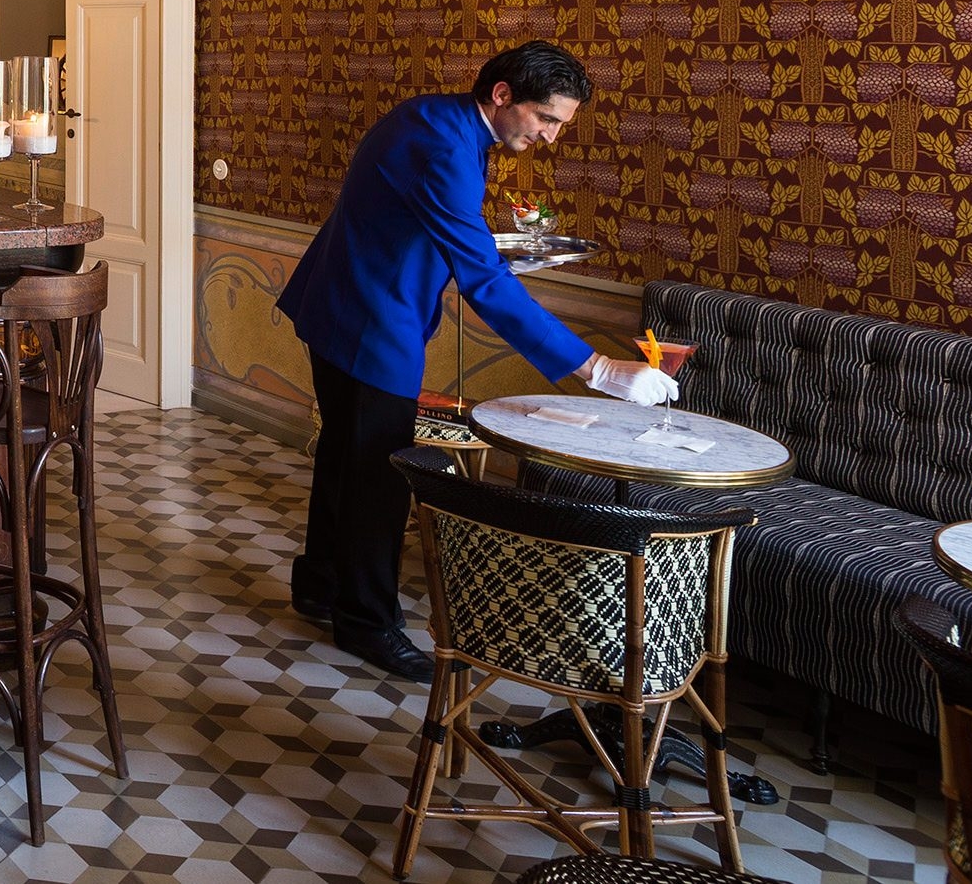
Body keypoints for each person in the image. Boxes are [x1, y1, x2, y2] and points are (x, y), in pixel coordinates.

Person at [274, 41, 677, 680]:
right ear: (502, 95)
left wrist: (486, 252)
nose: (550, 136)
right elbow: (483, 283)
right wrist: (596, 368)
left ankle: (320, 586)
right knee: (379, 475)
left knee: (343, 457)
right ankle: (367, 623)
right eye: (546, 120)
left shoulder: (435, 115)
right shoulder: (445, 147)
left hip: (336, 301)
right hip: (371, 322)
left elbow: (438, 226)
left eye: (560, 125)